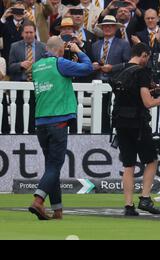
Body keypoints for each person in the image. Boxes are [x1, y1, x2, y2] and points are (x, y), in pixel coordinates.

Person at [28, 36, 93, 220]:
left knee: (51, 167)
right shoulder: (60, 62)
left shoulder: (36, 66)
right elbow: (88, 68)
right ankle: (38, 201)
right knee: (55, 165)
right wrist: (79, 51)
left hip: (41, 121)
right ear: (60, 49)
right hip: (58, 120)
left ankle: (57, 210)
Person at [112, 43, 160, 216]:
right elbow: (147, 103)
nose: (148, 60)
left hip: (120, 122)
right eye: (147, 56)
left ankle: (128, 206)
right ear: (143, 55)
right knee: (151, 160)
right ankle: (145, 198)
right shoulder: (141, 72)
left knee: (128, 165)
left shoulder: (119, 70)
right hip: (137, 124)